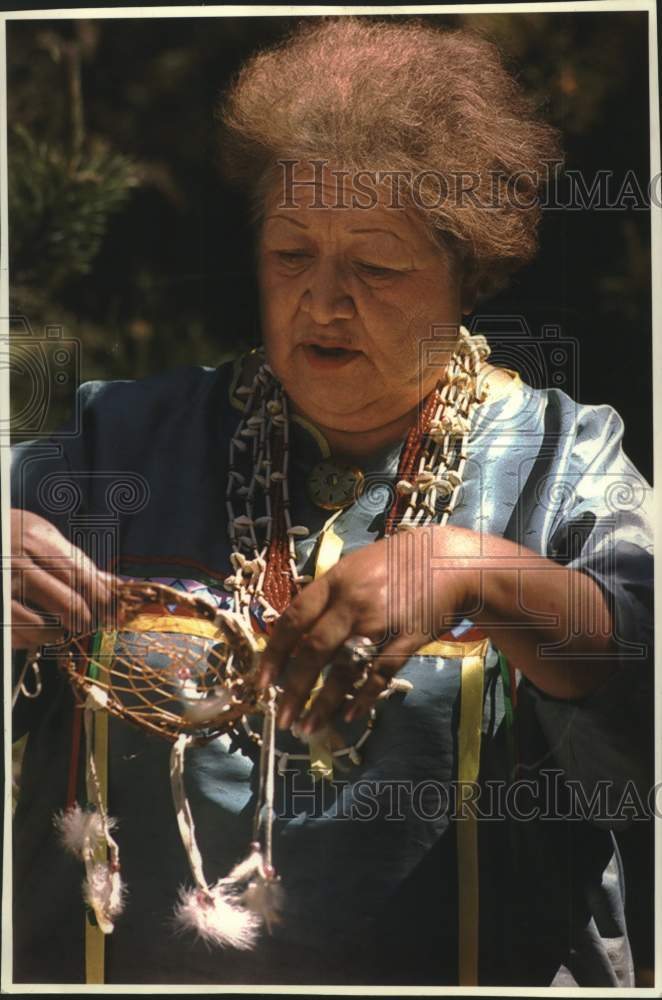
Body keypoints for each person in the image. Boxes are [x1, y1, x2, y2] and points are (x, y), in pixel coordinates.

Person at [10, 16, 653, 988]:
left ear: (467, 273)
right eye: (289, 254)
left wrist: (481, 574)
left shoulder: (561, 463)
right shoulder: (114, 445)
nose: (321, 300)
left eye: (377, 266)